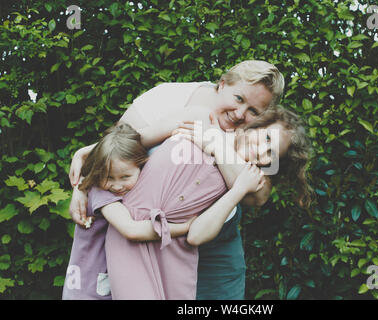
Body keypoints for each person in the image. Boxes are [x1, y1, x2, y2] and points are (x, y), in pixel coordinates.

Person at [67, 60, 288, 299]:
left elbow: (259, 195)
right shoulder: (169, 100)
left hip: (215, 232)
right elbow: (117, 150)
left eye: (254, 111)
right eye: (238, 99)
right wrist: (83, 178)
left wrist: (216, 145)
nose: (240, 114)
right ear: (222, 84)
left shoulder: (259, 138)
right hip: (154, 230)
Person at [102, 107, 311, 299]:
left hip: (170, 258)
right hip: (128, 235)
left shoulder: (243, 183)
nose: (261, 150)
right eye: (266, 137)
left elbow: (196, 235)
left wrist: (237, 186)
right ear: (257, 125)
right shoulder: (207, 126)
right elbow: (130, 144)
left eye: (271, 154)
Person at [62, 123, 196, 299]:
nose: (117, 185)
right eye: (108, 177)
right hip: (89, 289)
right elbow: (131, 230)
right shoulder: (100, 193)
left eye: (125, 177)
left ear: (142, 167)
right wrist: (186, 227)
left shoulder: (112, 189)